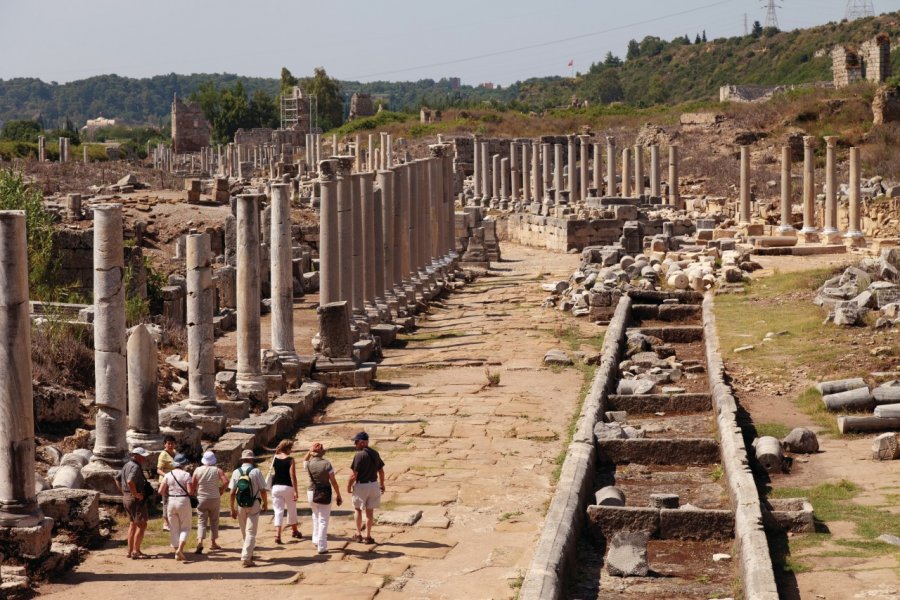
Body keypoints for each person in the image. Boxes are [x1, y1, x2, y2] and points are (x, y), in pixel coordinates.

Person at [229, 449, 268, 567]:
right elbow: (262, 490)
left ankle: (248, 552)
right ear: (251, 459)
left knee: (244, 531)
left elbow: (232, 492)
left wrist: (232, 508)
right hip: (254, 503)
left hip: (240, 504)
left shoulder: (236, 472)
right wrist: (265, 503)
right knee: (251, 531)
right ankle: (246, 556)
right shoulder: (256, 471)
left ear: (242, 459)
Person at [347, 431, 385, 544]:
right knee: (370, 512)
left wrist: (348, 486)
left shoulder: (359, 455)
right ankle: (368, 536)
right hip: (373, 485)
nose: (355, 444)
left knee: (358, 509)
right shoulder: (375, 453)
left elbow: (354, 475)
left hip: (361, 486)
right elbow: (381, 471)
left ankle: (358, 534)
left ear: (363, 443)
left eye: (356, 442)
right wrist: (382, 484)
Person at [304, 442, 342, 554]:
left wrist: (309, 451)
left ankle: (315, 539)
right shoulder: (327, 464)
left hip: (311, 492)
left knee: (315, 515)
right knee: (323, 520)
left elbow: (304, 460)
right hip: (324, 492)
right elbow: (333, 481)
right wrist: (338, 494)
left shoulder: (309, 464)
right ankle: (322, 546)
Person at [191, 450, 228, 554]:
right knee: (214, 520)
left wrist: (194, 493)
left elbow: (193, 485)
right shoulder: (217, 470)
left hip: (202, 498)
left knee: (201, 520)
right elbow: (226, 482)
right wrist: (221, 490)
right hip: (214, 498)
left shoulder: (197, 470)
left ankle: (200, 541)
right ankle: (213, 542)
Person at [117, 447, 150, 559]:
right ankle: (136, 551)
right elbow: (130, 481)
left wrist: (124, 492)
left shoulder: (126, 465)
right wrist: (135, 494)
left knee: (132, 524)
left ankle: (129, 551)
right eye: (142, 455)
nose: (144, 457)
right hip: (135, 500)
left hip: (127, 498)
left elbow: (117, 479)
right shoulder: (135, 467)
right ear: (136, 456)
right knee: (142, 524)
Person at [158, 453, 192, 561]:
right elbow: (190, 492)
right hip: (183, 500)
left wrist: (170, 493)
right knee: (185, 527)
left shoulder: (168, 475)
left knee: (173, 528)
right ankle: (180, 549)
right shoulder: (186, 475)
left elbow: (160, 491)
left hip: (171, 501)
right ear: (183, 464)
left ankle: (177, 551)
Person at [269, 439, 301, 544]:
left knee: (278, 511)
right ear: (287, 448)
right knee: (291, 509)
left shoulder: (274, 458)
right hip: (288, 487)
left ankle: (277, 534)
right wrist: (296, 490)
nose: (291, 450)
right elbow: (293, 476)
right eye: (290, 448)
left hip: (276, 487)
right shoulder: (290, 460)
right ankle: (295, 530)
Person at [157, 436, 177, 531]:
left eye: (172, 443)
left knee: (174, 502)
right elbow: (158, 470)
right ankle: (166, 523)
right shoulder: (163, 454)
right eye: (168, 443)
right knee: (166, 502)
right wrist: (167, 476)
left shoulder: (175, 453)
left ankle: (173, 522)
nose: (170, 445)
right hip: (165, 482)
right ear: (165, 444)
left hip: (175, 481)